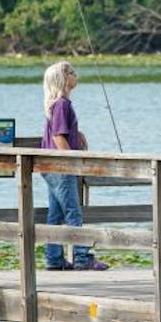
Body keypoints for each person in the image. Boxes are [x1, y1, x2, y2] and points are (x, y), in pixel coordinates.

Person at [41, 60, 108, 271]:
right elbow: (58, 137)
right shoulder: (62, 104)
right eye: (70, 72)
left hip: (50, 166)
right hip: (61, 167)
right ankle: (81, 257)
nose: (75, 75)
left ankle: (54, 259)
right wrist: (72, 161)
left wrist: (77, 134)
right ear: (62, 79)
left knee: (55, 215)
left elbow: (61, 131)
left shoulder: (58, 104)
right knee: (73, 212)